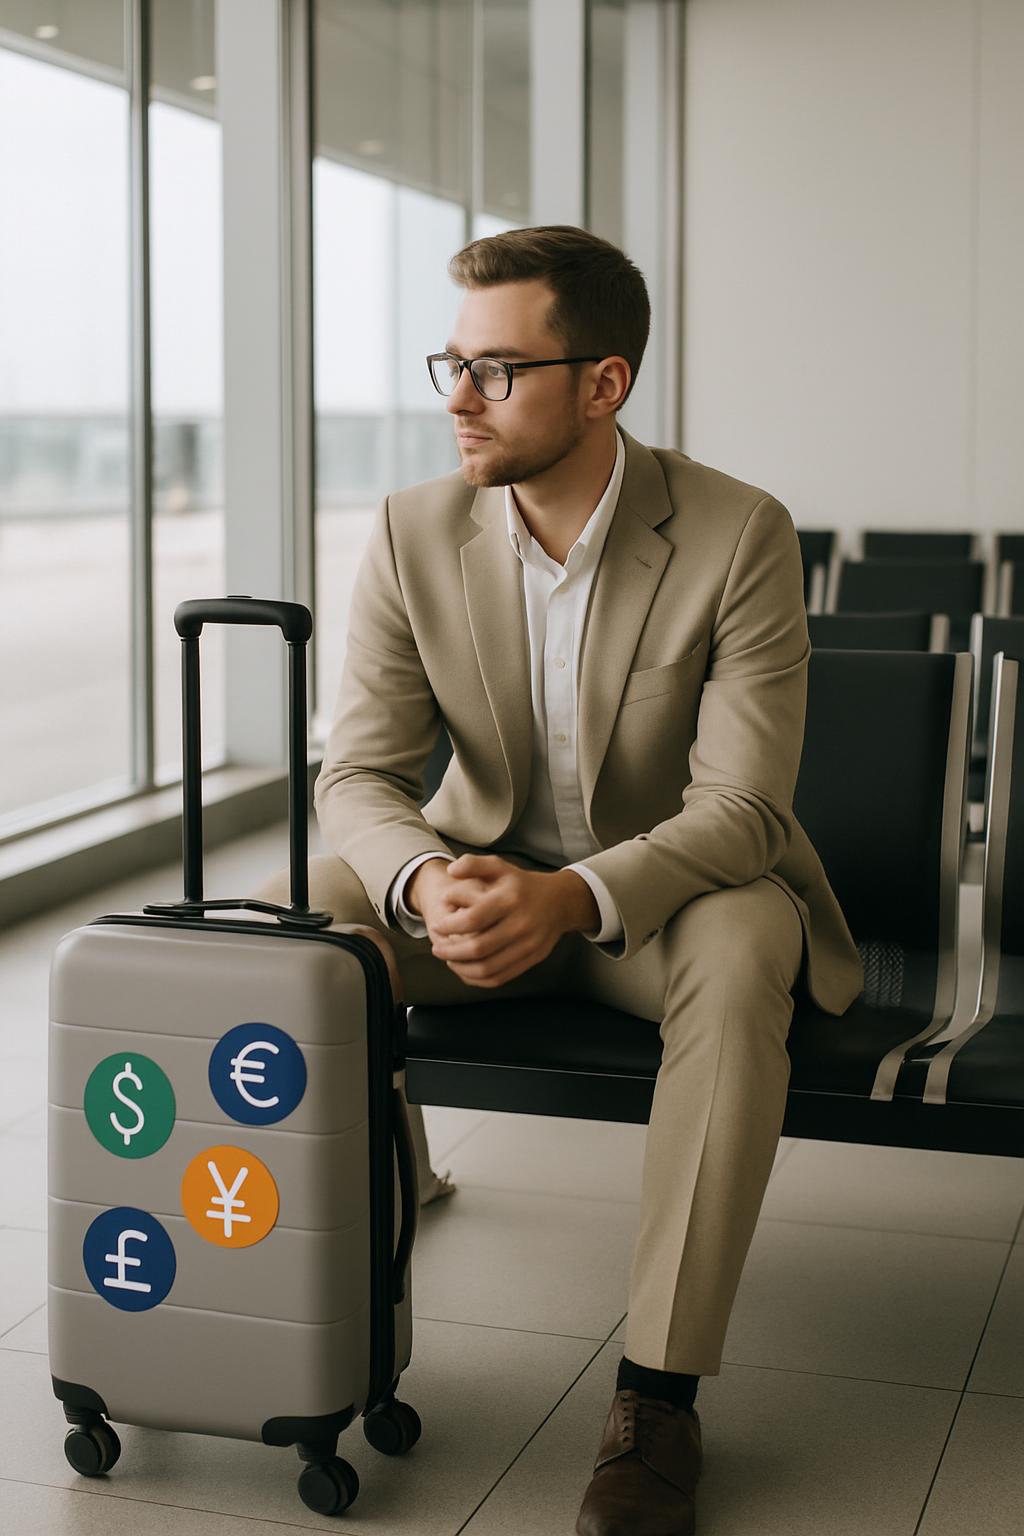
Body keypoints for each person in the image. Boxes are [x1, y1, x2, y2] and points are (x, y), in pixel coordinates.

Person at [256, 224, 863, 1536]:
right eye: (450, 365)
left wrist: (573, 897)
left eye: (497, 370)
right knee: (311, 905)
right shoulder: (415, 530)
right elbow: (356, 773)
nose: (458, 402)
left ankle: (659, 1394)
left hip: (663, 908)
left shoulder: (735, 531)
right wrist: (424, 882)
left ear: (603, 383)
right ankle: (377, 1211)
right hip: (478, 888)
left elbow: (747, 809)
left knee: (750, 937)